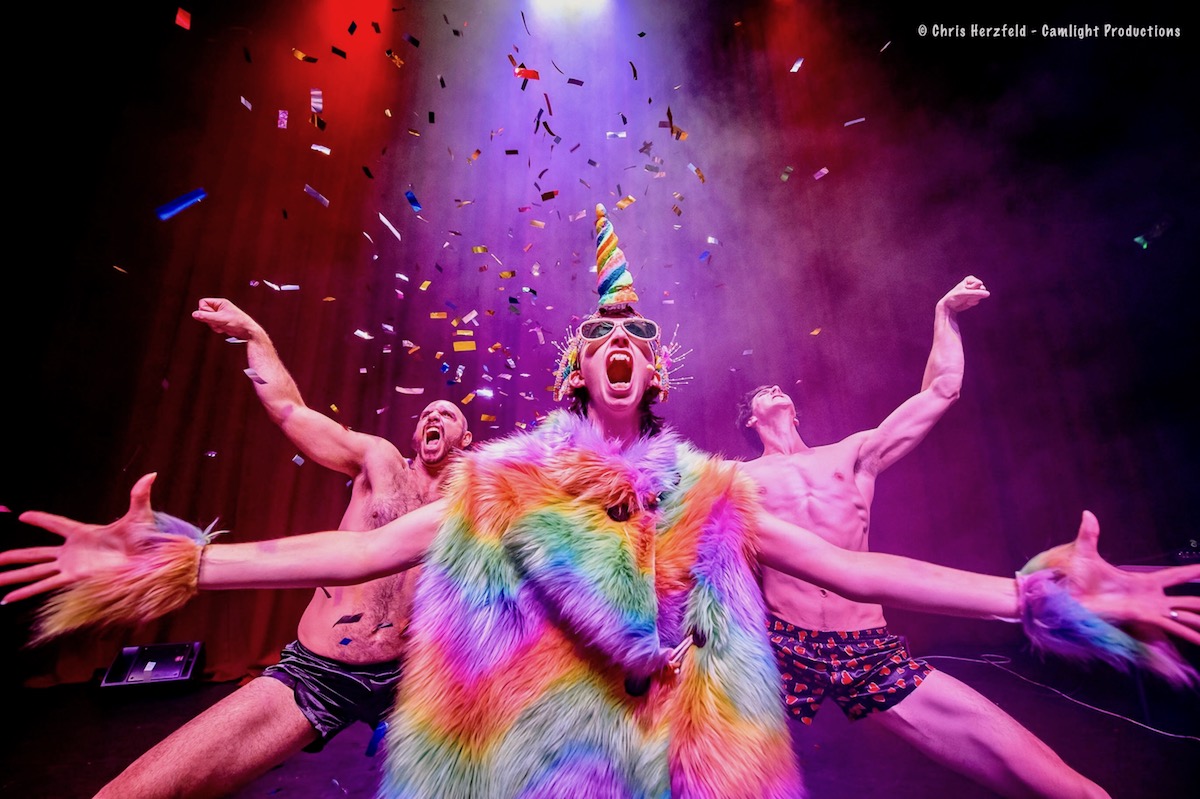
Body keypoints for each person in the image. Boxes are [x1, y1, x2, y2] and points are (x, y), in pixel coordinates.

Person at [3, 208, 1198, 799]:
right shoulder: (503, 478)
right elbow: (352, 546)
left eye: (637, 337)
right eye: (601, 339)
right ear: (578, 369)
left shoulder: (715, 488)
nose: (620, 345)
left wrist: (1033, 597)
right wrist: (182, 563)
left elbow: (861, 574)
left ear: (655, 371)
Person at [736, 277, 1112, 797]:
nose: (775, 388)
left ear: (796, 412)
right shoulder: (735, 479)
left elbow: (940, 390)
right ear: (751, 419)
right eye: (762, 392)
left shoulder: (853, 453)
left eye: (781, 389)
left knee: (1057, 782)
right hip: (779, 645)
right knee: (685, 754)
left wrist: (945, 314)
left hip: (865, 644)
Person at [93, 297, 473, 799]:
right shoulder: (379, 460)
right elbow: (289, 410)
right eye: (426, 413)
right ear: (416, 431)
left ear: (466, 437)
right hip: (321, 670)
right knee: (143, 789)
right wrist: (254, 335)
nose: (434, 416)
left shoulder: (476, 498)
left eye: (446, 413)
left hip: (417, 675)